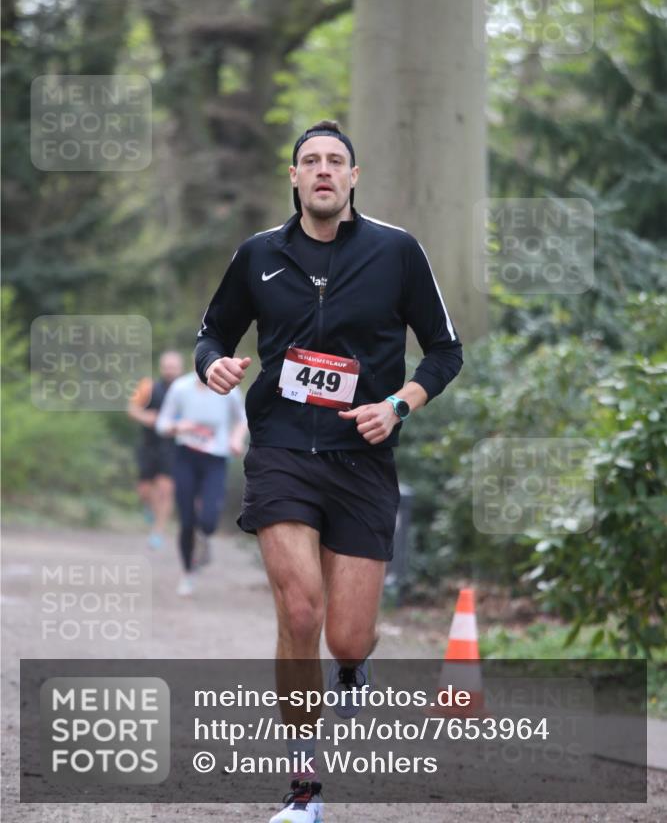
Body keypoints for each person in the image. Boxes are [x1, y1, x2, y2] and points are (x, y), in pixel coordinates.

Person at [195, 120, 463, 822]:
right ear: (292, 177)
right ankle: (302, 791)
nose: (321, 170)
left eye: (334, 161)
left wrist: (399, 406)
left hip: (362, 457)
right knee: (300, 610)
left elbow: (443, 350)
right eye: (308, 161)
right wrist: (212, 365)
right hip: (281, 449)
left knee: (346, 633)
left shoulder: (396, 253)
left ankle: (352, 665)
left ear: (352, 177)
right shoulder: (258, 256)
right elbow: (213, 331)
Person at [156, 369, 247, 596]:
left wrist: (236, 439)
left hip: (215, 459)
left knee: (208, 520)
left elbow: (242, 419)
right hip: (185, 456)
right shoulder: (181, 387)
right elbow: (162, 423)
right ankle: (188, 573)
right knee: (186, 520)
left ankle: (204, 538)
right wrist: (178, 427)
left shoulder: (230, 389)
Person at [127, 350, 183, 549]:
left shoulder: (185, 390)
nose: (170, 371)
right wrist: (146, 418)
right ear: (161, 368)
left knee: (165, 490)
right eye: (167, 367)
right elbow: (131, 409)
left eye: (174, 367)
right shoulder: (147, 386)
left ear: (180, 369)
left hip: (172, 446)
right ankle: (150, 510)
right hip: (148, 444)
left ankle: (158, 532)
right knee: (144, 490)